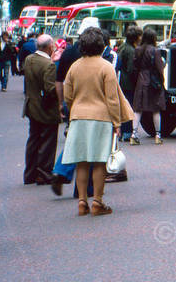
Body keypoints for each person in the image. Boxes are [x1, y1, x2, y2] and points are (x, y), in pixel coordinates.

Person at [61, 27, 133, 216]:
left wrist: (75, 107)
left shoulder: (75, 67)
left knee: (82, 162)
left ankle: (82, 201)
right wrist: (117, 122)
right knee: (99, 162)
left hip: (78, 116)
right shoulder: (105, 67)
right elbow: (112, 98)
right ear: (101, 45)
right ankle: (98, 202)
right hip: (101, 117)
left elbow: (67, 95)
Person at [23, 34, 60, 185]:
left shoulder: (29, 60)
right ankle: (44, 173)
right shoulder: (48, 65)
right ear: (50, 47)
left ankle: (30, 174)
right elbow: (50, 89)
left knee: (33, 139)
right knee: (48, 141)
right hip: (45, 109)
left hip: (31, 105)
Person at [131, 28, 166, 145]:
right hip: (152, 82)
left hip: (141, 81)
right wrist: (162, 81)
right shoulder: (155, 51)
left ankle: (134, 134)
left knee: (137, 109)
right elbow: (159, 68)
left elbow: (135, 65)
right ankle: (158, 135)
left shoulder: (137, 50)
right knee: (156, 110)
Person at [116, 26, 142, 142]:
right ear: (136, 37)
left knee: (124, 105)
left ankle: (122, 131)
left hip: (122, 81)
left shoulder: (123, 47)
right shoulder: (131, 50)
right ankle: (127, 132)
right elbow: (132, 69)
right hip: (129, 83)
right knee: (129, 107)